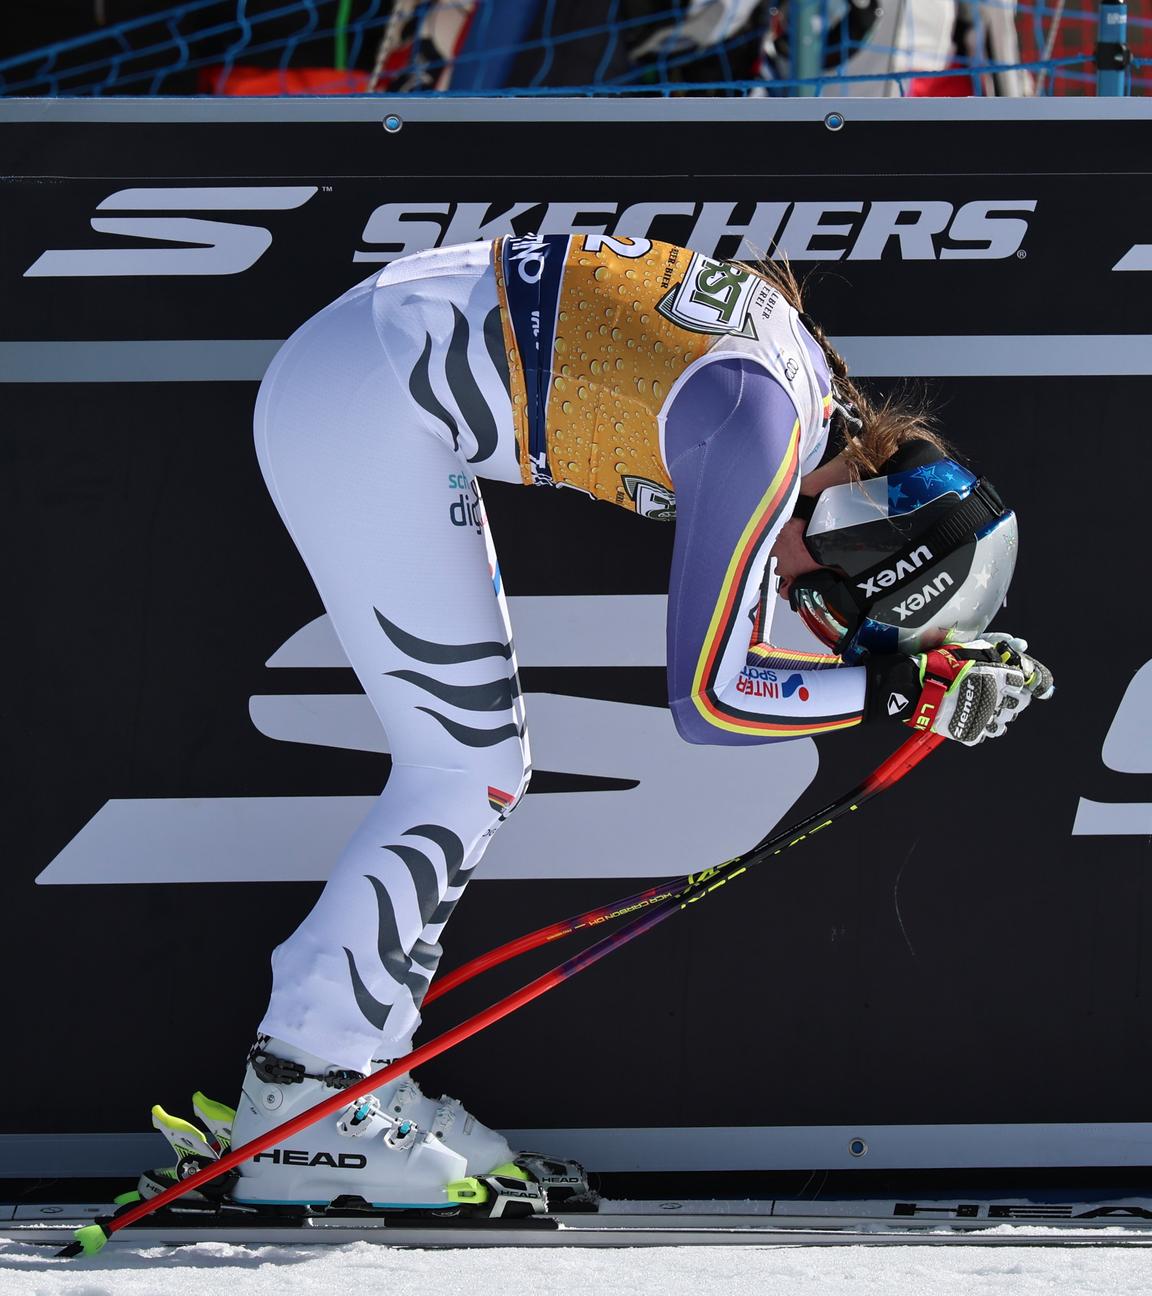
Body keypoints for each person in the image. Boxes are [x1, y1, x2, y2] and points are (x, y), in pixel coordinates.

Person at [142, 234, 1052, 1216]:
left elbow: (740, 665)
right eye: (828, 602)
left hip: (372, 378)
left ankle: (344, 1076)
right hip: (367, 398)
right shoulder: (761, 427)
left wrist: (915, 674)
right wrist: (895, 692)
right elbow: (710, 699)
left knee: (472, 763)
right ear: (861, 534)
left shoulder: (796, 405)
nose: (802, 604)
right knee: (464, 767)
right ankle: (311, 1097)